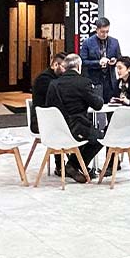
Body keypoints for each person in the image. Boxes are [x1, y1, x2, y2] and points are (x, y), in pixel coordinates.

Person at [45, 54, 103, 183]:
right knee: (100, 137)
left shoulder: (54, 84)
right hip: (76, 128)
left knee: (89, 133)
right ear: (78, 66)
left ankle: (73, 166)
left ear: (65, 67)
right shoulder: (83, 83)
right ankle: (73, 165)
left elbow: (49, 107)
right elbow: (97, 105)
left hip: (56, 130)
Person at [80, 18, 122, 100]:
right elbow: (83, 61)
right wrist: (98, 62)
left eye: (107, 31)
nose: (105, 34)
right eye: (102, 32)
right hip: (94, 80)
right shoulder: (87, 43)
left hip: (110, 81)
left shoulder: (114, 42)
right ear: (97, 30)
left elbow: (120, 59)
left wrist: (115, 61)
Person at [30, 51, 66, 133]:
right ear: (55, 65)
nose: (66, 71)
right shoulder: (44, 79)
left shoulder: (56, 77)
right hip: (42, 120)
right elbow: (56, 99)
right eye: (64, 67)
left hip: (52, 117)